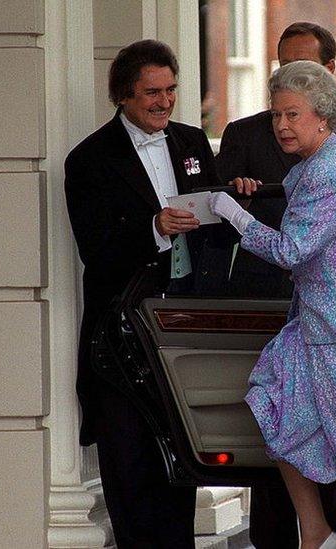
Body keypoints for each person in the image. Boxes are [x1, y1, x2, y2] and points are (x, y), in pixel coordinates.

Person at [210, 60, 336, 549]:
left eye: (292, 115)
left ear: (322, 116)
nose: (281, 125)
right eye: (276, 114)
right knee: (274, 398)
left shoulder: (328, 171)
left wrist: (234, 215)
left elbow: (290, 251)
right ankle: (317, 534)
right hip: (330, 319)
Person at [64, 39, 225, 547]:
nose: (164, 101)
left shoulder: (193, 142)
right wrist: (155, 227)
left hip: (181, 324)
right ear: (123, 97)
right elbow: (96, 248)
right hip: (123, 333)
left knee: (179, 456)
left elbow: (215, 222)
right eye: (152, 93)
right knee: (129, 462)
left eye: (171, 90)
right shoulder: (89, 159)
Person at [216, 22, 336, 304]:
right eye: (284, 66)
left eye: (303, 66)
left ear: (330, 68)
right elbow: (215, 212)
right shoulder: (244, 133)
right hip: (261, 287)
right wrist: (238, 199)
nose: (291, 76)